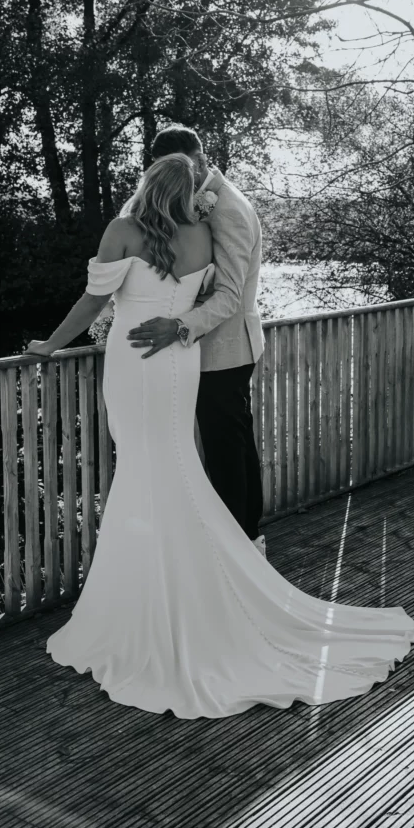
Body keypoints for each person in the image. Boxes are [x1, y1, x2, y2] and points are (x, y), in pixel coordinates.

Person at [26, 146, 414, 719]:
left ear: (147, 184)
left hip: (136, 362)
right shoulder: (201, 236)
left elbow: (93, 302)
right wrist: (181, 323)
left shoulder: (122, 230)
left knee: (146, 467)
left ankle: (154, 600)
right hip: (179, 360)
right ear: (187, 191)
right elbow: (222, 292)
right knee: (175, 464)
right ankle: (185, 582)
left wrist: (50, 345)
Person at [126, 125, 266, 556]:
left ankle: (238, 547)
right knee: (233, 444)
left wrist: (178, 326)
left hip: (226, 348)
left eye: (184, 168)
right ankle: (247, 538)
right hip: (208, 349)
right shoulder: (198, 200)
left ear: (201, 159)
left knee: (226, 448)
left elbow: (229, 294)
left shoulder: (227, 209)